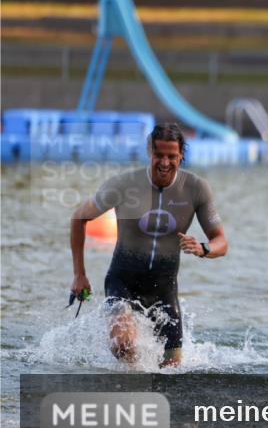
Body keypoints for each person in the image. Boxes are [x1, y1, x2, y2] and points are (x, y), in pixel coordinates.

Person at [69, 123, 228, 367]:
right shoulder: (124, 184)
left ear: (182, 155)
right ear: (149, 153)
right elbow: (79, 217)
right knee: (125, 345)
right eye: (159, 155)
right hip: (122, 283)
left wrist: (203, 248)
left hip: (164, 290)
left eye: (172, 156)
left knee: (171, 373)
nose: (165, 163)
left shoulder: (196, 189)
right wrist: (79, 275)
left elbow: (221, 242)